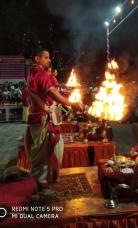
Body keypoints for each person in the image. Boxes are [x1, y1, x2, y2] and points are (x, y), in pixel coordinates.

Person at [24, 48, 84, 199]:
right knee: (42, 152)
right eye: (46, 57)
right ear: (37, 59)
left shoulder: (36, 73)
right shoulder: (39, 73)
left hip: (45, 117)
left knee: (54, 147)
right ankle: (40, 187)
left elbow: (54, 93)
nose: (49, 60)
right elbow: (51, 93)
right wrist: (72, 104)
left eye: (49, 57)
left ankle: (48, 178)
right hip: (41, 118)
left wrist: (66, 103)